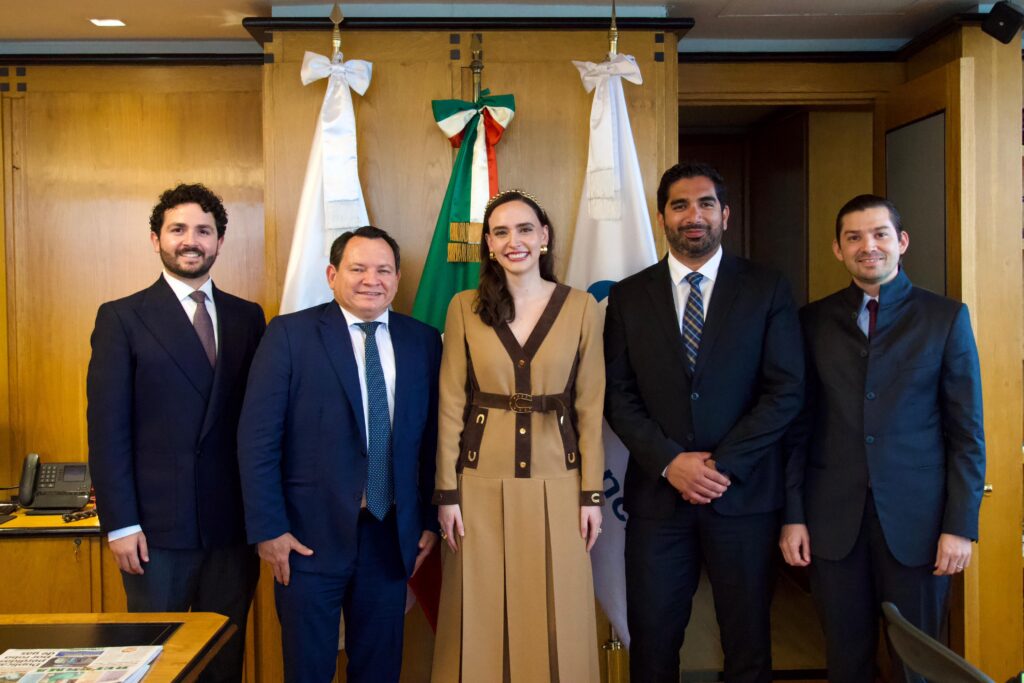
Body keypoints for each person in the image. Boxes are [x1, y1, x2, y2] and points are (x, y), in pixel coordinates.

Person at [604, 162, 805, 683]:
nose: (694, 215)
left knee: (747, 644)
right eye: (680, 205)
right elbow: (617, 395)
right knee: (652, 643)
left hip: (743, 499)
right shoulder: (628, 296)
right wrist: (670, 462)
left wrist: (723, 465)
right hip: (657, 501)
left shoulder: (767, 288)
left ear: (725, 214)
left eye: (706, 204)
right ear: (662, 217)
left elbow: (786, 390)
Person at [779, 194, 985, 683]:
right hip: (832, 524)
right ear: (838, 249)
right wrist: (793, 516)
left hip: (920, 526)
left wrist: (960, 525)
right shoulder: (811, 322)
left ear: (902, 242)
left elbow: (967, 433)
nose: (867, 246)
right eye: (854, 237)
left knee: (918, 665)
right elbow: (797, 429)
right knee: (845, 660)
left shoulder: (944, 318)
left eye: (879, 234)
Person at [237, 226, 441, 683]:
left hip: (390, 536)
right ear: (332, 275)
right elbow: (258, 440)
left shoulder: (423, 341)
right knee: (308, 670)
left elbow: (431, 440)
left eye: (384, 270)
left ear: (398, 278)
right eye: (358, 268)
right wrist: (269, 528)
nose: (372, 280)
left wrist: (428, 520)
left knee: (379, 670)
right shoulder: (289, 335)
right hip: (306, 540)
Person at [87, 183, 265, 683]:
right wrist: (120, 524)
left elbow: (258, 425)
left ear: (220, 241)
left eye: (204, 231)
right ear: (156, 239)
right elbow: (107, 429)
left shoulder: (248, 317)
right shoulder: (122, 317)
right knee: (153, 665)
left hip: (232, 530)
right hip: (154, 533)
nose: (191, 240)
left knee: (222, 662)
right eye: (178, 229)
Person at [432, 190, 605, 682]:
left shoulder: (582, 306)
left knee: (559, 610)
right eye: (502, 232)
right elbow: (451, 404)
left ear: (544, 236)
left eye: (525, 229)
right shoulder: (463, 308)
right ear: (488, 243)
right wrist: (447, 493)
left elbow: (591, 407)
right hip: (478, 484)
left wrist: (591, 495)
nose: (515, 241)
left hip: (560, 481)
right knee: (479, 610)